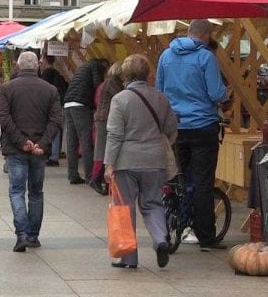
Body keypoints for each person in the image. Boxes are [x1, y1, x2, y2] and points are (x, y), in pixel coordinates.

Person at [156, 19, 229, 251]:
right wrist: (225, 95)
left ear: (188, 32)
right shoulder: (206, 57)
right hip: (203, 125)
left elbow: (159, 91)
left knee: (179, 178)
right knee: (202, 181)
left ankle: (176, 221)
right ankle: (205, 235)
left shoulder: (165, 57)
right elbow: (216, 92)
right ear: (206, 34)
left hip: (176, 126)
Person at [105, 54, 177, 269]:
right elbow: (171, 129)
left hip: (126, 161)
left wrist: (109, 164)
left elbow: (115, 135)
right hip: (155, 160)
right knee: (153, 203)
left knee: (125, 207)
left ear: (125, 74)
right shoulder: (161, 98)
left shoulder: (120, 99)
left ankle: (129, 257)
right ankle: (160, 239)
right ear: (148, 73)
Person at [0, 52, 62, 252]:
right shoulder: (50, 90)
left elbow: (4, 119)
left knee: (17, 191)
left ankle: (22, 234)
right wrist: (41, 144)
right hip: (39, 151)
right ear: (37, 67)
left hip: (16, 149)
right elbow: (55, 119)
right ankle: (33, 236)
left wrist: (21, 141)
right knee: (36, 192)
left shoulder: (7, 89)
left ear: (18, 66)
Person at [64, 58, 109, 185]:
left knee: (71, 142)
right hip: (81, 105)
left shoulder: (83, 67)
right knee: (86, 141)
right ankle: (90, 176)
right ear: (104, 65)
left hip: (68, 103)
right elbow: (98, 86)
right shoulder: (97, 66)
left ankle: (72, 175)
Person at [89, 61, 124, 195]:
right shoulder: (113, 83)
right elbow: (121, 97)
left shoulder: (109, 82)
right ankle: (96, 178)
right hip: (105, 118)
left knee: (102, 149)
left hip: (102, 118)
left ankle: (99, 179)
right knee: (102, 150)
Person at [40, 55, 68, 166]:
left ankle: (52, 156)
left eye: (41, 59)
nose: (40, 61)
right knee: (56, 128)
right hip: (58, 103)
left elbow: (43, 89)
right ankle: (54, 154)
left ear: (46, 60)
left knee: (51, 129)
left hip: (49, 104)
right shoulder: (56, 72)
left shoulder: (47, 72)